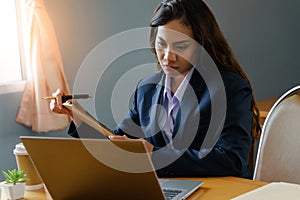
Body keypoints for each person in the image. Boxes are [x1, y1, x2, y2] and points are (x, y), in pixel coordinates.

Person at [50, 0, 260, 179]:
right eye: (162, 44)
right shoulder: (147, 90)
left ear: (201, 45)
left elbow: (231, 160)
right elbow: (117, 144)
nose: (168, 57)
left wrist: (154, 155)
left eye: (180, 47)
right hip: (167, 191)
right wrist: (78, 116)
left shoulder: (230, 89)